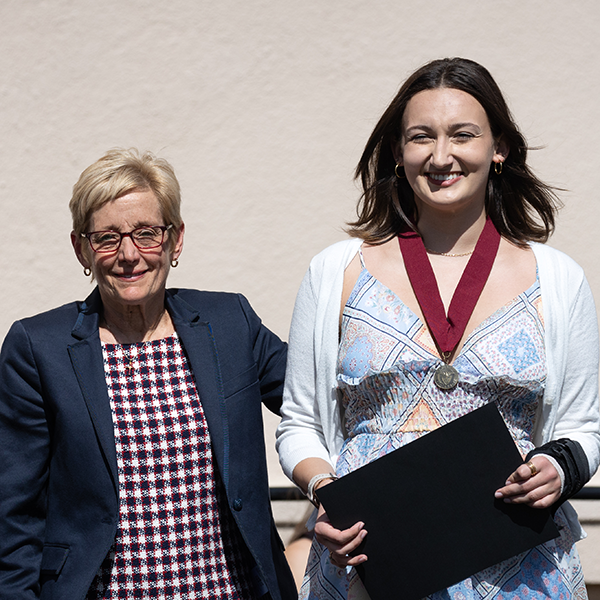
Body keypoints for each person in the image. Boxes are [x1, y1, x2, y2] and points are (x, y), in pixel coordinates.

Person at [276, 58, 600, 599]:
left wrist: (558, 468)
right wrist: (329, 495)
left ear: (499, 149)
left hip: (519, 567)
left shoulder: (559, 279)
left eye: (463, 135)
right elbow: (300, 424)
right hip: (373, 563)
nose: (441, 156)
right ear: (399, 154)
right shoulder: (335, 271)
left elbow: (585, 426)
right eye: (421, 137)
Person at [0, 148, 297, 600]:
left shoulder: (229, 322)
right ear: (81, 247)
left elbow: (319, 400)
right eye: (107, 238)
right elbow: (12, 512)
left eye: (146, 234)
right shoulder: (38, 347)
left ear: (175, 240)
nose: (128, 255)